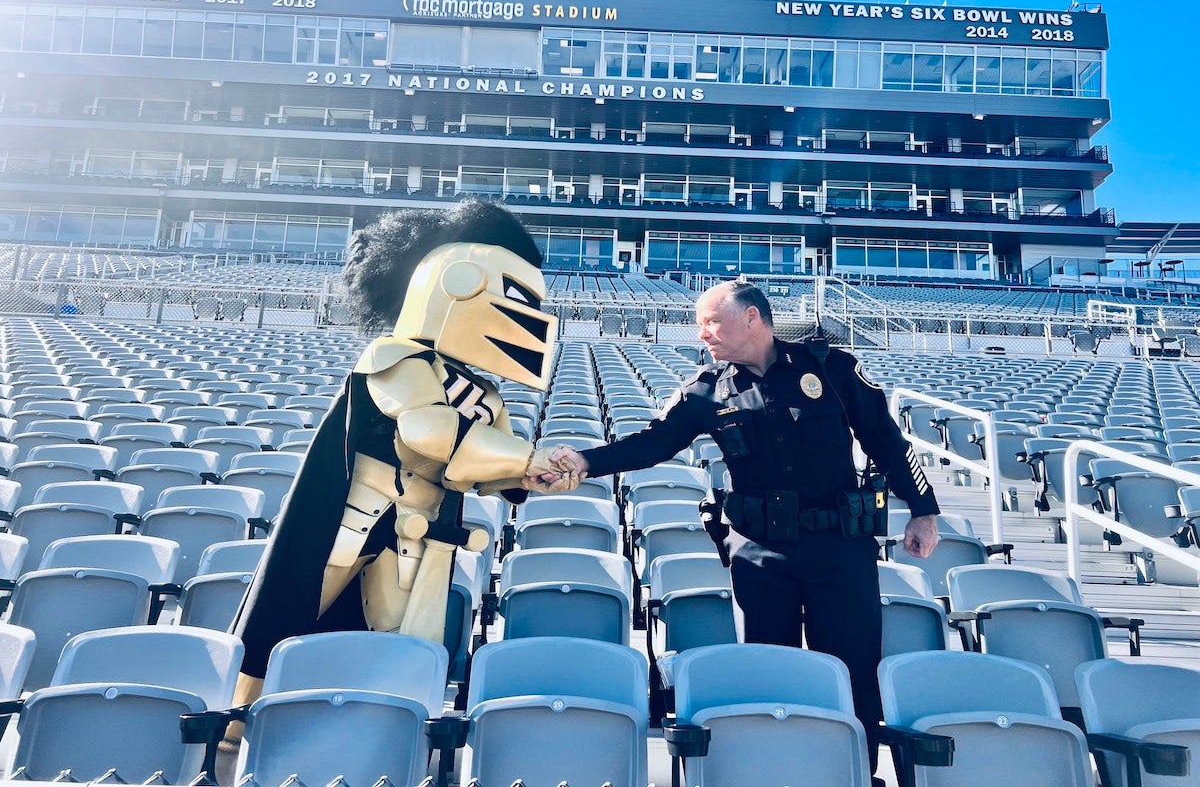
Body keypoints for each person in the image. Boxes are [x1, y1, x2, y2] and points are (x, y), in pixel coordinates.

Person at [542, 279, 940, 777]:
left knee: (852, 672)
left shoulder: (831, 369)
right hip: (760, 553)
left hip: (840, 548)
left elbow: (886, 440)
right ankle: (775, 771)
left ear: (752, 317)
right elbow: (652, 443)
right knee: (768, 673)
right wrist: (582, 459)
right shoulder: (707, 391)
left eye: (711, 321)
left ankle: (854, 772)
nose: (701, 333)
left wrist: (923, 509)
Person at [229, 200, 576, 722]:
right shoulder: (398, 358)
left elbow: (488, 473)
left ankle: (375, 739)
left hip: (418, 535)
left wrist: (537, 473)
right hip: (355, 522)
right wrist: (531, 456)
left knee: (398, 642)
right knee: (289, 622)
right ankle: (232, 731)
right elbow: (430, 430)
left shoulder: (485, 395)